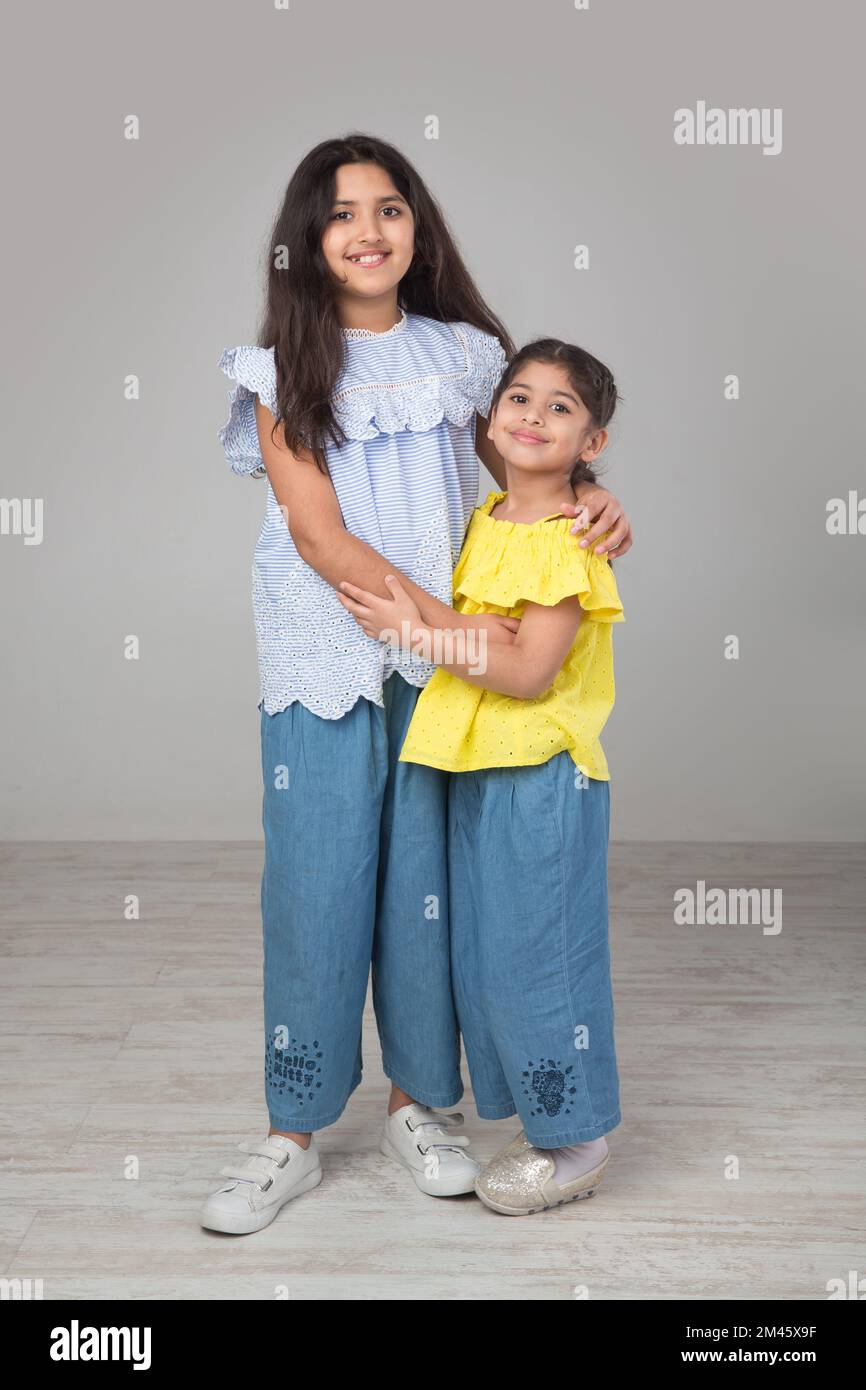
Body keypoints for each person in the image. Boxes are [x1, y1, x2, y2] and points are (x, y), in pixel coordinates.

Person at [201, 133, 633, 1235]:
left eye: (389, 208)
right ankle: (290, 1130)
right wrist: (432, 627)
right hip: (330, 654)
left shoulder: (466, 354)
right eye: (342, 213)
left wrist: (600, 504)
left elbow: (534, 470)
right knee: (315, 890)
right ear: (307, 241)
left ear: (417, 227)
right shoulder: (282, 371)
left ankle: (414, 1101)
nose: (368, 230)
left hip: (447, 680)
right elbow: (318, 533)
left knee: (420, 893)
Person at [337, 339, 625, 1216]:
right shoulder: (493, 516)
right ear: (492, 415)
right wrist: (431, 619)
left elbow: (528, 668)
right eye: (519, 398)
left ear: (593, 443)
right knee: (489, 959)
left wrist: (415, 633)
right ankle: (542, 1119)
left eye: (560, 406)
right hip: (479, 766)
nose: (533, 416)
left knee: (541, 958)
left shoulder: (567, 540)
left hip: (541, 772)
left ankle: (578, 1139)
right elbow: (485, 636)